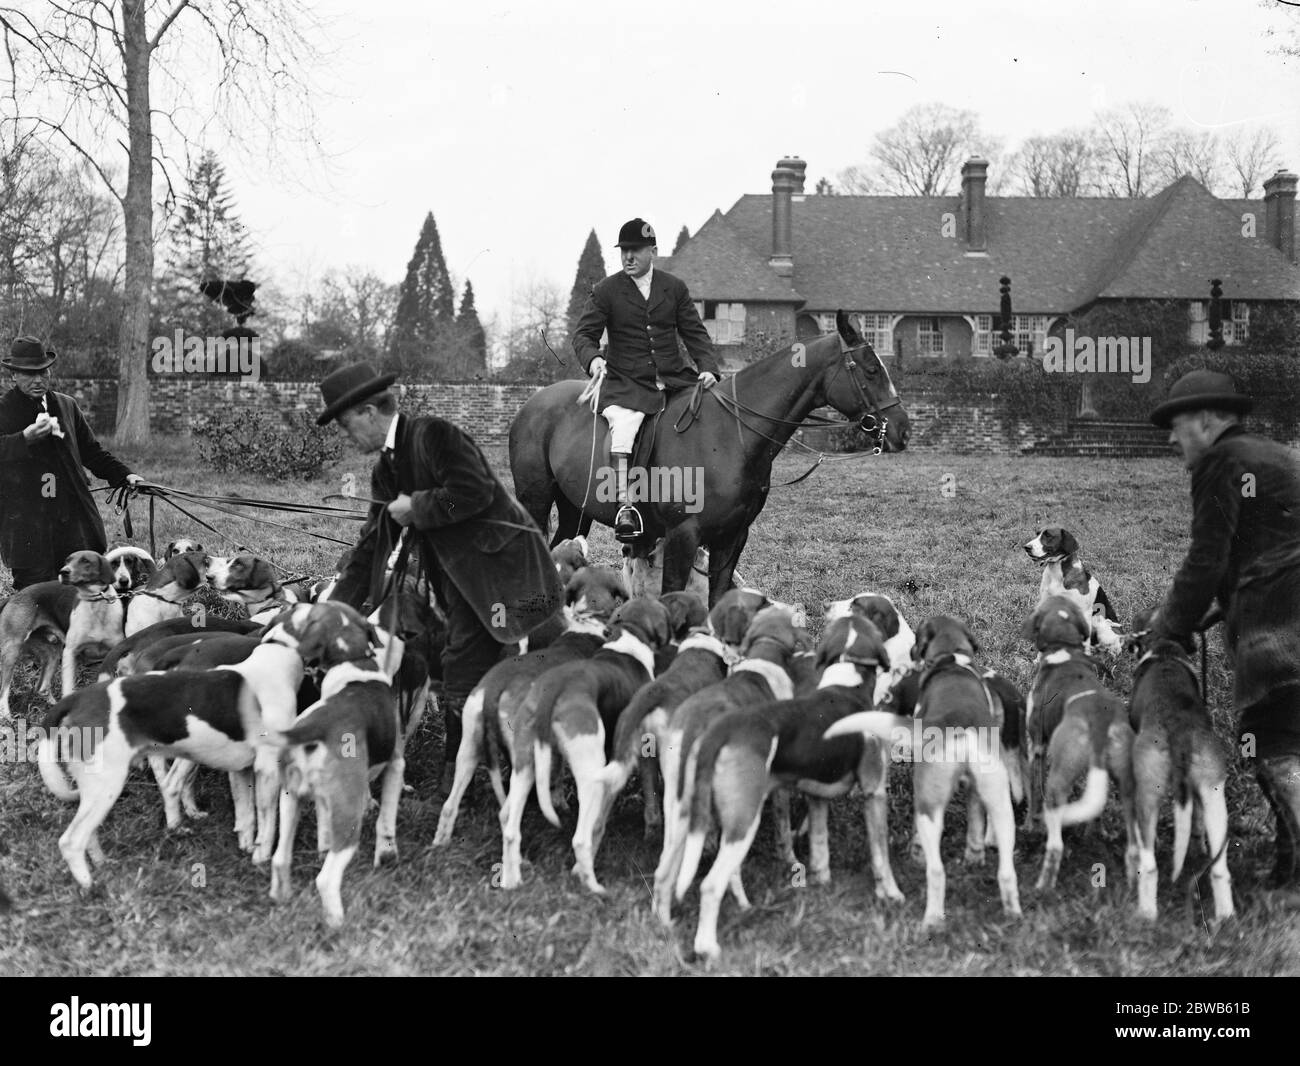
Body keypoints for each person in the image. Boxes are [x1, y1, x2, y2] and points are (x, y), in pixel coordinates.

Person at [318, 363, 563, 792]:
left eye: (346, 424)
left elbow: (475, 493)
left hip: (502, 567)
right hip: (459, 576)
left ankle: (464, 779)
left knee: (465, 661)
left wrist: (418, 508)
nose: (346, 435)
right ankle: (485, 761)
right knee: (471, 661)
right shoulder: (386, 470)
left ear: (370, 411)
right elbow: (372, 547)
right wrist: (333, 609)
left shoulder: (434, 435)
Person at [1150, 369, 1300, 891]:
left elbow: (1206, 560)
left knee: (1273, 739)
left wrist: (1167, 628)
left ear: (1208, 420)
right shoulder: (1273, 454)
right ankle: (1289, 862)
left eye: (1177, 425)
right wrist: (1218, 608)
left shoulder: (1219, 460)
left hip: (1278, 620)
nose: (1171, 438)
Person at [571, 218, 722, 541]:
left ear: (653, 251)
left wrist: (708, 366)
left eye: (635, 251)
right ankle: (627, 506)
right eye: (624, 251)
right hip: (626, 385)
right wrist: (594, 358)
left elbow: (695, 334)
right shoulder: (606, 291)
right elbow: (584, 335)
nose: (628, 257)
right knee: (624, 431)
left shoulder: (674, 288)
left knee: (706, 419)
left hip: (673, 380)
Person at [0, 336, 145, 590]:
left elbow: (92, 452)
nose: (38, 380)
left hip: (73, 522)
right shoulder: (4, 409)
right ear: (13, 376)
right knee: (37, 595)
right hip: (28, 527)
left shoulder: (67, 405)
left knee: (84, 591)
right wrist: (24, 439)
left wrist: (125, 475)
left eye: (43, 372)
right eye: (28, 374)